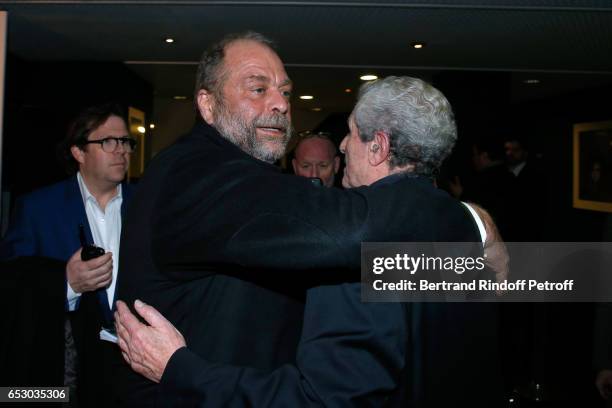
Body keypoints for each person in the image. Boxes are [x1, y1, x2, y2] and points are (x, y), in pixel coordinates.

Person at [113, 33, 505, 407]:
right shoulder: (195, 173)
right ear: (207, 104)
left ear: (379, 146)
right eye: (258, 88)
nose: (281, 103)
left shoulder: (270, 189)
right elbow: (342, 229)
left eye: (285, 91)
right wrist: (469, 218)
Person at [0, 103, 135, 407]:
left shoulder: (148, 206)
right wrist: (66, 283)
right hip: (61, 372)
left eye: (126, 141)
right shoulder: (38, 209)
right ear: (78, 152)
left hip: (134, 370)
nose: (121, 150)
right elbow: (10, 283)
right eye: (108, 142)